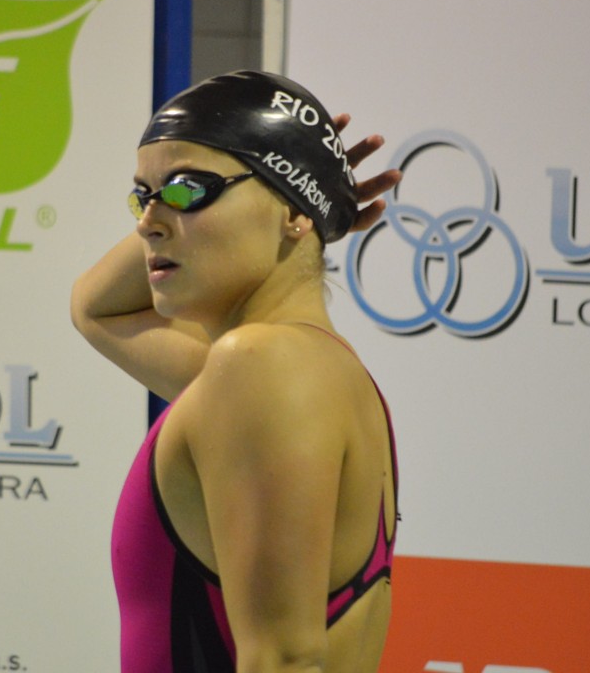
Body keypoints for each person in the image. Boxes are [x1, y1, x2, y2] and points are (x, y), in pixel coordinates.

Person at [70, 70, 402, 673]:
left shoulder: (260, 366)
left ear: (291, 212)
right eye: (142, 195)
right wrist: (306, 197)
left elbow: (283, 660)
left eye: (187, 190)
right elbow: (95, 308)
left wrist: (306, 190)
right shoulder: (309, 371)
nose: (147, 222)